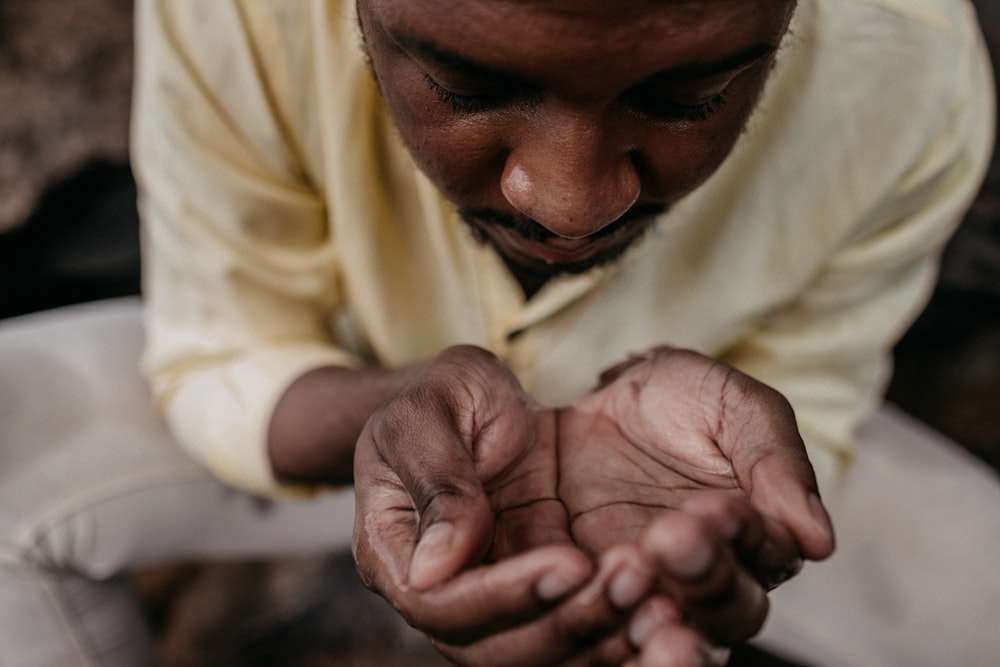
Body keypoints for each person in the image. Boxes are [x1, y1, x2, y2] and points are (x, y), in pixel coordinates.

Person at [0, 0, 996, 665]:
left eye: (691, 98)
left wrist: (723, 515)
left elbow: (810, 389)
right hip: (355, 411)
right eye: (466, 89)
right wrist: (386, 411)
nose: (570, 204)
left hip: (677, 468)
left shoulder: (913, 69)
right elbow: (227, 345)